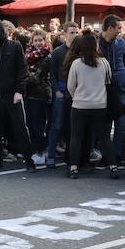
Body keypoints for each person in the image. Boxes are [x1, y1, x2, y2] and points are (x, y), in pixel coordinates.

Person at [0, 19, 36, 172]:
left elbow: (22, 70)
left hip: (12, 95)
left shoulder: (14, 46)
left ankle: (29, 160)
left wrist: (19, 91)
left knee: (20, 128)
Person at [66, 29, 120, 180]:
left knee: (76, 137)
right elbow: (109, 82)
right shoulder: (104, 63)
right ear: (96, 46)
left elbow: (71, 86)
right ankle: (113, 166)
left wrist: (77, 96)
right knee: (104, 137)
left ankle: (73, 167)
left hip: (79, 105)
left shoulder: (76, 64)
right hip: (99, 105)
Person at [46, 22, 78, 168]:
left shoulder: (80, 51)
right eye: (72, 32)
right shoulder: (58, 52)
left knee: (73, 126)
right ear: (64, 33)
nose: (75, 35)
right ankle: (50, 155)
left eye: (76, 32)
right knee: (57, 125)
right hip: (62, 92)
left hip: (77, 94)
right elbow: (52, 74)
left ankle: (70, 157)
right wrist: (56, 91)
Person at [99, 15, 125, 159]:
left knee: (121, 124)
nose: (120, 31)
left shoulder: (121, 43)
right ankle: (107, 155)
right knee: (104, 125)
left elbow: (124, 63)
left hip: (121, 90)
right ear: (110, 28)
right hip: (103, 90)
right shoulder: (96, 44)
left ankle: (115, 154)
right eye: (118, 28)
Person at [24, 28, 52, 164]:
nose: (38, 43)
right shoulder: (29, 55)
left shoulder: (47, 56)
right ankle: (37, 149)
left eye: (41, 40)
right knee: (30, 124)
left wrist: (21, 82)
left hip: (40, 94)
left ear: (45, 41)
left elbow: (37, 77)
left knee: (38, 125)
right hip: (29, 94)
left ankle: (40, 151)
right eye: (36, 40)